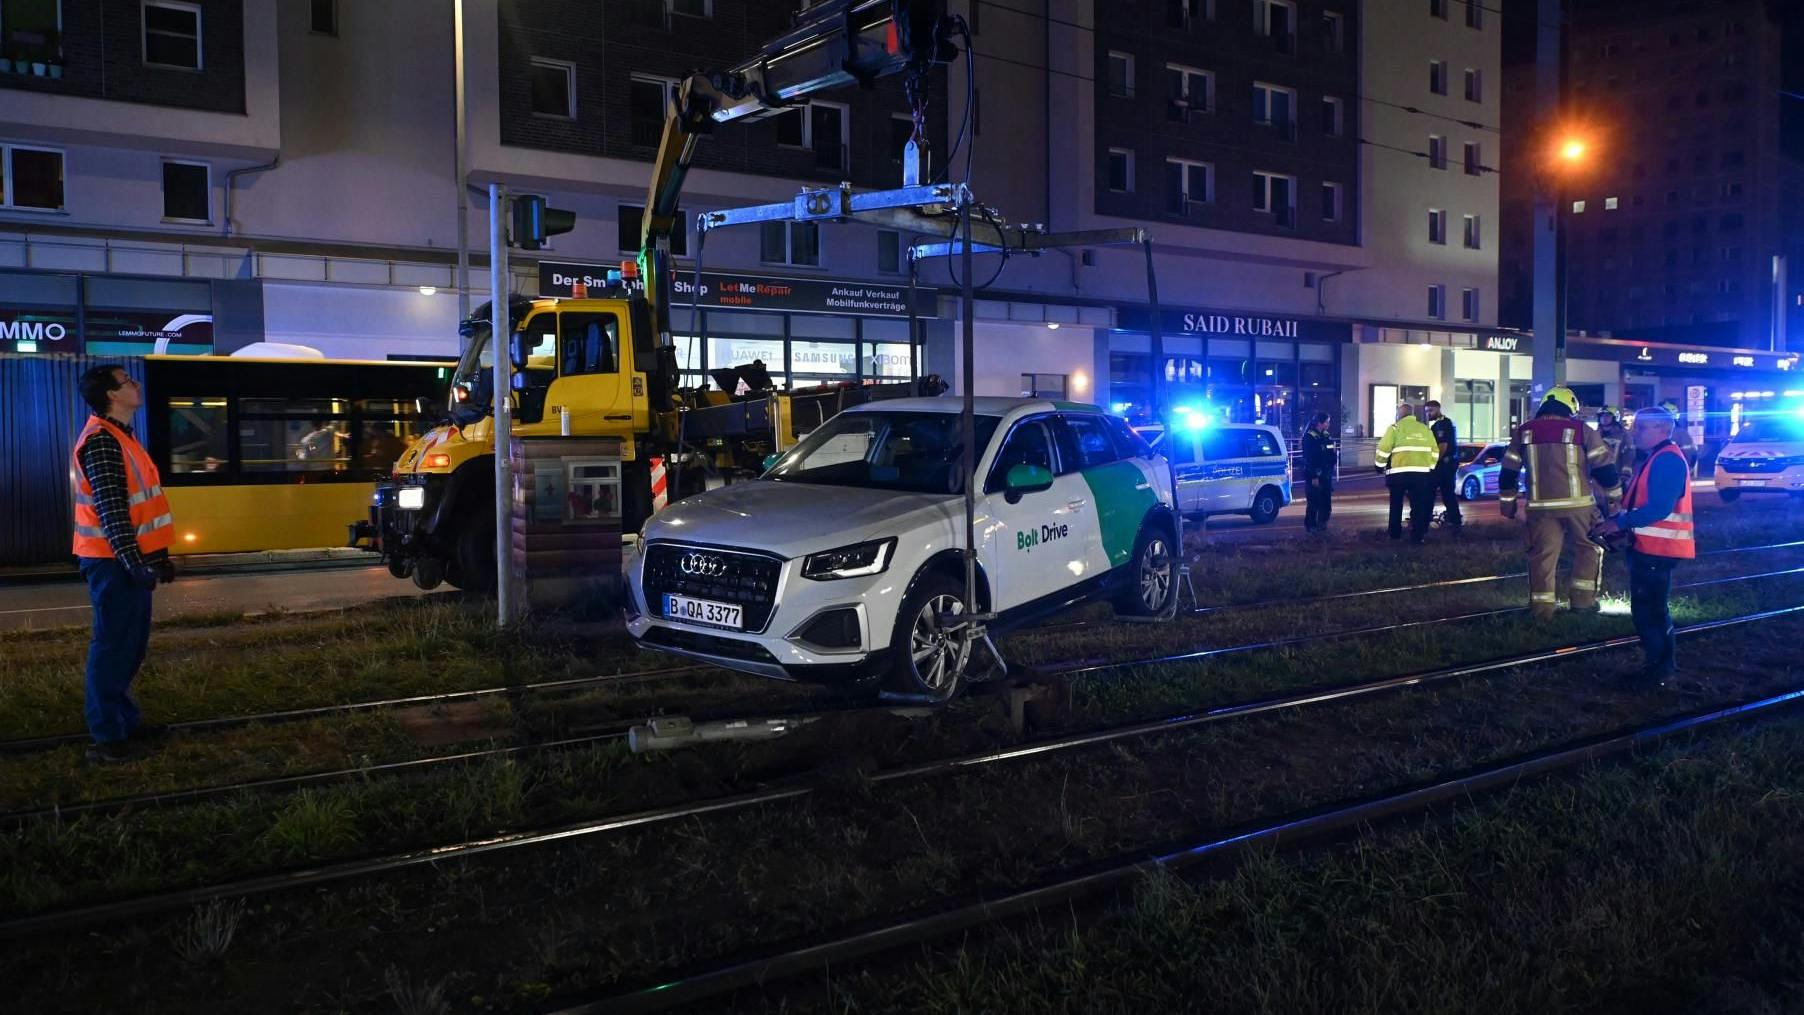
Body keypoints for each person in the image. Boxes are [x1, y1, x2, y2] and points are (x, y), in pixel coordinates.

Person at [72, 365, 176, 763]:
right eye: (127, 381)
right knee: (113, 646)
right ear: (112, 395)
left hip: (126, 559)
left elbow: (140, 508)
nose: (136, 385)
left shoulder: (123, 436)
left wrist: (157, 556)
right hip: (111, 562)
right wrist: (135, 563)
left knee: (129, 647)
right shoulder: (101, 441)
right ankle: (107, 738)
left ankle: (123, 721)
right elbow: (113, 512)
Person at [1499, 386, 1623, 620]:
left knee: (1542, 557)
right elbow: (1604, 468)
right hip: (1579, 506)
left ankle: (1542, 611)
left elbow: (1508, 472)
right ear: (1571, 408)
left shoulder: (1524, 432)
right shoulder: (1582, 430)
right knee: (1588, 550)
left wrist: (1508, 505)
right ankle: (1583, 604)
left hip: (1540, 508)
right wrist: (1615, 498)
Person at [1591, 405, 1692, 687]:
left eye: (1642, 427)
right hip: (1651, 547)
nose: (1635, 432)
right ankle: (1659, 667)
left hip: (1656, 550)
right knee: (1652, 609)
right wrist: (1620, 519)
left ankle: (1660, 671)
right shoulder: (1657, 457)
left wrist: (1619, 524)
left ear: (1662, 428)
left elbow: (1658, 508)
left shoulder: (1666, 460)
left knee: (1650, 611)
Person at [1374, 403, 1438, 544]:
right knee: (1418, 506)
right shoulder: (1425, 429)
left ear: (1399, 415)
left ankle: (1395, 535)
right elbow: (1435, 451)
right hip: (1421, 475)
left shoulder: (1395, 429)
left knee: (1396, 505)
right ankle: (1417, 536)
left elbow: (1383, 449)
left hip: (1398, 475)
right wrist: (1430, 468)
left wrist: (1379, 466)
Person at [1423, 399, 1463, 534]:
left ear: (1438, 409)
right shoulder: (1441, 424)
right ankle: (1455, 522)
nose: (1428, 414)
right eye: (1426, 411)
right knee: (1447, 494)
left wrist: (1432, 463)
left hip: (1443, 465)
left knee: (1430, 492)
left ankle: (1425, 521)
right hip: (1447, 464)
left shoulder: (1442, 424)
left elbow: (1442, 446)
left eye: (1430, 410)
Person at [1301, 412, 1337, 533]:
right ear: (1320, 423)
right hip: (1315, 475)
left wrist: (1332, 465)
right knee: (1313, 503)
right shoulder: (1309, 437)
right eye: (1327, 421)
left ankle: (1322, 524)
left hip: (1326, 475)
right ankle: (1311, 526)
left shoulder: (1326, 436)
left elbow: (1331, 454)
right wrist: (1313, 476)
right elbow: (1309, 459)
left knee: (1326, 503)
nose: (1329, 424)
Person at [1659, 398, 1697, 473]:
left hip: (1673, 471)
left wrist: (1686, 469)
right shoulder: (1654, 431)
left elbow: (1690, 453)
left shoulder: (1680, 433)